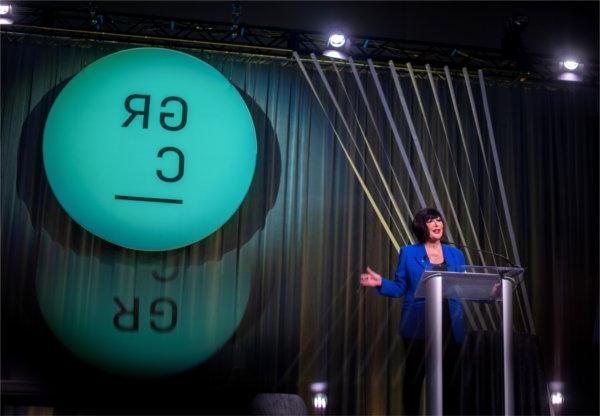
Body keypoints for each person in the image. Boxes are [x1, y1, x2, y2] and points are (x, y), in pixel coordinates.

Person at [360, 207, 465, 415]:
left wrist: (492, 290)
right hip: (418, 324)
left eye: (439, 220)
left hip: (450, 324)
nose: (437, 224)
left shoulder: (456, 254)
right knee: (414, 381)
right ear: (421, 226)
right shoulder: (408, 253)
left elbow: (464, 285)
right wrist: (381, 282)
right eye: (431, 221)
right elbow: (401, 287)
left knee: (451, 382)